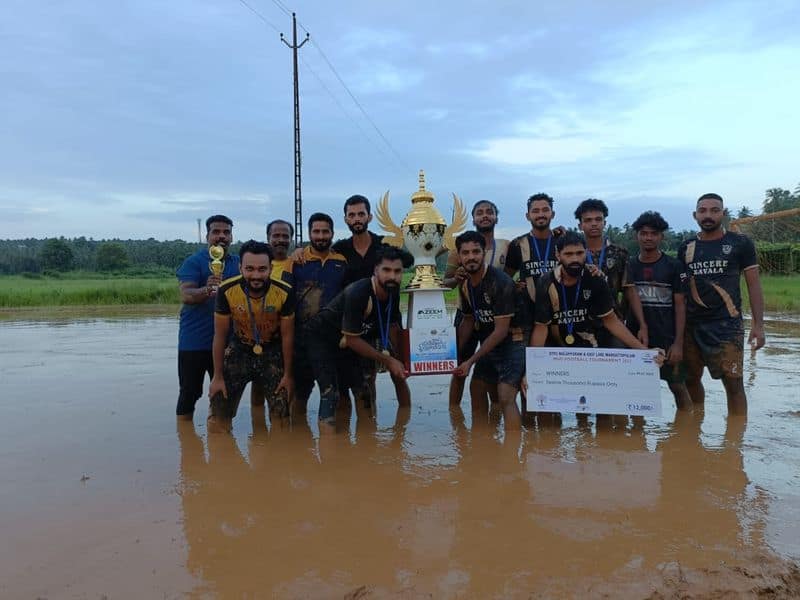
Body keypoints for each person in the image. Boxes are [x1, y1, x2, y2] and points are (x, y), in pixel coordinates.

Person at [303, 245, 411, 432]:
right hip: (322, 339)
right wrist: (389, 360)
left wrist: (402, 359)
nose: (392, 276)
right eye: (386, 270)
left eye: (397, 271)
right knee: (331, 395)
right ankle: (332, 456)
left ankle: (367, 449)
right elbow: (352, 340)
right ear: (376, 270)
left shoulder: (393, 291)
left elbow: (392, 327)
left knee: (364, 394)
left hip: (350, 342)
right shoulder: (358, 292)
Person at [678, 193, 765, 415]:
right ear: (695, 215)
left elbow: (754, 285)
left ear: (723, 214)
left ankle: (735, 444)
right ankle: (694, 427)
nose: (708, 215)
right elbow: (679, 291)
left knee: (734, 384)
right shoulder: (686, 247)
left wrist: (759, 325)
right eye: (703, 211)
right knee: (691, 379)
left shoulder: (740, 243)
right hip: (692, 325)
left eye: (714, 210)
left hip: (727, 326)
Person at [208, 241, 295, 432]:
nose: (256, 275)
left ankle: (281, 459)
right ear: (240, 268)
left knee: (281, 418)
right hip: (240, 348)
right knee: (218, 417)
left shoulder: (285, 291)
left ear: (271, 268)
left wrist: (288, 375)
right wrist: (217, 376)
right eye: (249, 269)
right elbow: (220, 336)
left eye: (262, 269)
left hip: (272, 350)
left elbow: (288, 336)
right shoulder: (226, 290)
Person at [452, 231, 523, 430]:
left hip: (514, 340)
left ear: (484, 253)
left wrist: (470, 361)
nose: (471, 257)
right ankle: (481, 445)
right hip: (491, 341)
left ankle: (511, 455)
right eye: (465, 253)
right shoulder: (465, 283)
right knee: (477, 387)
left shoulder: (500, 282)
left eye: (476, 251)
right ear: (459, 256)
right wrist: (453, 352)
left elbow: (501, 331)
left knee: (505, 393)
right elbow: (467, 320)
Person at [624, 211, 693, 411]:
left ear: (661, 236)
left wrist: (678, 343)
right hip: (637, 338)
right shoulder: (629, 265)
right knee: (635, 389)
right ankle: (637, 434)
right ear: (636, 235)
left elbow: (681, 305)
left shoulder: (673, 266)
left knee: (677, 386)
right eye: (643, 233)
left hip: (667, 338)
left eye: (653, 233)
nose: (648, 238)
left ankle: (687, 431)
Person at [443, 199, 509, 406]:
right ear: (473, 219)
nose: (485, 216)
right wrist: (457, 278)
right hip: (468, 313)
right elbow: (446, 283)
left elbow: (511, 276)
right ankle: (454, 413)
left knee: (490, 365)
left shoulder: (507, 246)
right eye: (479, 213)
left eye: (489, 212)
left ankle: (495, 412)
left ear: (496, 217)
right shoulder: (459, 250)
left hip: (495, 314)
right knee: (460, 365)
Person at [175, 215, 239, 420]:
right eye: (216, 232)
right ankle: (185, 440)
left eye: (226, 232)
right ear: (207, 236)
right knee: (189, 393)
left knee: (223, 394)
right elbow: (186, 295)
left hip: (227, 343)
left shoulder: (239, 263)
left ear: (231, 236)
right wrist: (207, 288)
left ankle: (218, 437)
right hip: (194, 342)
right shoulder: (194, 262)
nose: (221, 236)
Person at [290, 213, 348, 414]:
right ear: (309, 233)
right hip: (301, 339)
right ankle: (296, 439)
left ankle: (341, 440)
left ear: (332, 233)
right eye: (316, 231)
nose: (321, 236)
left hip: (333, 339)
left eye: (325, 231)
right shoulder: (296, 261)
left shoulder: (341, 262)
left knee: (335, 392)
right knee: (300, 394)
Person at [574, 198, 648, 347]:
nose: (594, 223)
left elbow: (630, 290)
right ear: (580, 225)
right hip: (579, 324)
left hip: (613, 323)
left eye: (598, 219)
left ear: (604, 223)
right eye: (588, 220)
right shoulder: (573, 254)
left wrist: (642, 325)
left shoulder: (618, 253)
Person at [266, 219, 294, 285]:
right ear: (268, 238)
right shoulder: (258, 267)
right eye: (276, 236)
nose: (281, 240)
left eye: (285, 236)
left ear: (291, 239)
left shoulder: (297, 265)